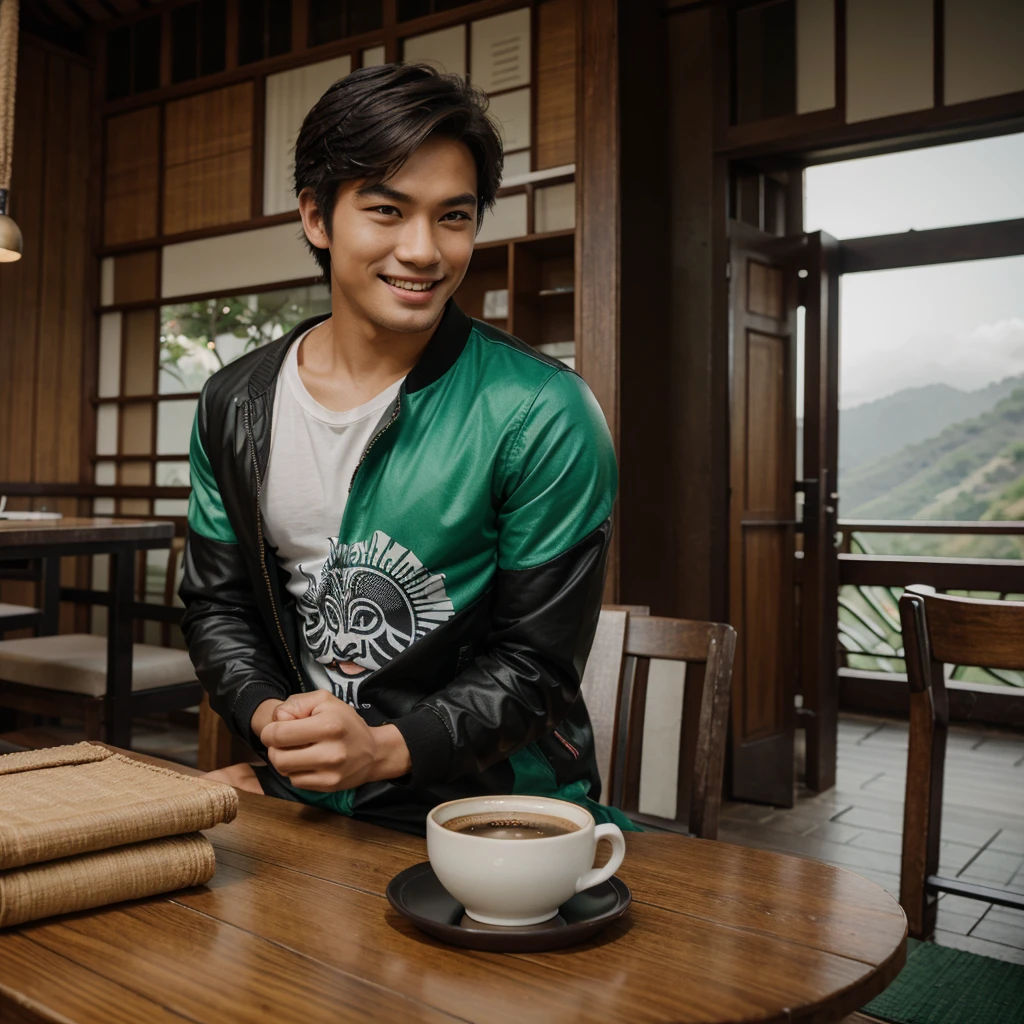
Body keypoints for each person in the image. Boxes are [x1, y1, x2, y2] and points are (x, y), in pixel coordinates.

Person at [180, 62, 632, 835]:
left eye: (453, 217)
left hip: (492, 806)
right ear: (318, 218)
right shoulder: (235, 404)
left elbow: (536, 668)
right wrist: (273, 722)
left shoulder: (545, 410)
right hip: (309, 796)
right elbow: (217, 604)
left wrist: (381, 752)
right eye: (387, 210)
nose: (423, 250)